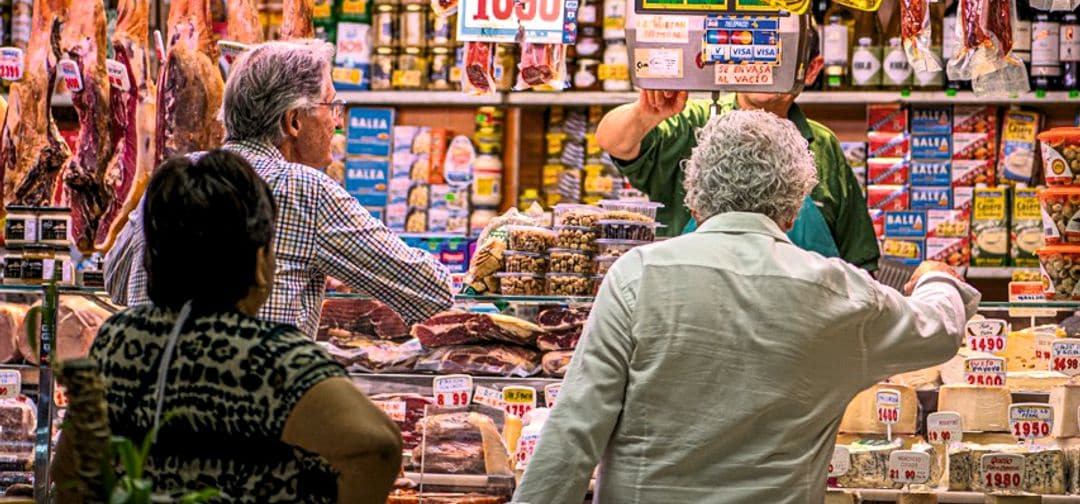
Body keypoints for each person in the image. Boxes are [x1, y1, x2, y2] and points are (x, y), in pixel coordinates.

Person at [514, 109, 979, 504]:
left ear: (694, 198)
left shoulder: (637, 275)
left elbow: (572, 433)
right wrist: (939, 279)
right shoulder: (840, 291)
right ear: (794, 210)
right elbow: (939, 328)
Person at [53, 150, 402, 503]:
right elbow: (379, 447)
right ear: (260, 260)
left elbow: (71, 471)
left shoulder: (119, 337)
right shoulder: (269, 356)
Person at [105, 40, 453, 338]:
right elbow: (430, 291)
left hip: (157, 400)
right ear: (294, 122)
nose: (338, 120)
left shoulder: (173, 176)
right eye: (332, 107)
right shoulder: (304, 190)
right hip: (253, 404)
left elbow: (115, 282)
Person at [596, 27, 879, 268]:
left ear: (812, 69)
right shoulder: (693, 121)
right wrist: (646, 114)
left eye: (779, 54)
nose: (762, 64)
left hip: (799, 322)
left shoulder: (823, 144)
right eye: (752, 49)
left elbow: (858, 262)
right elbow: (613, 141)